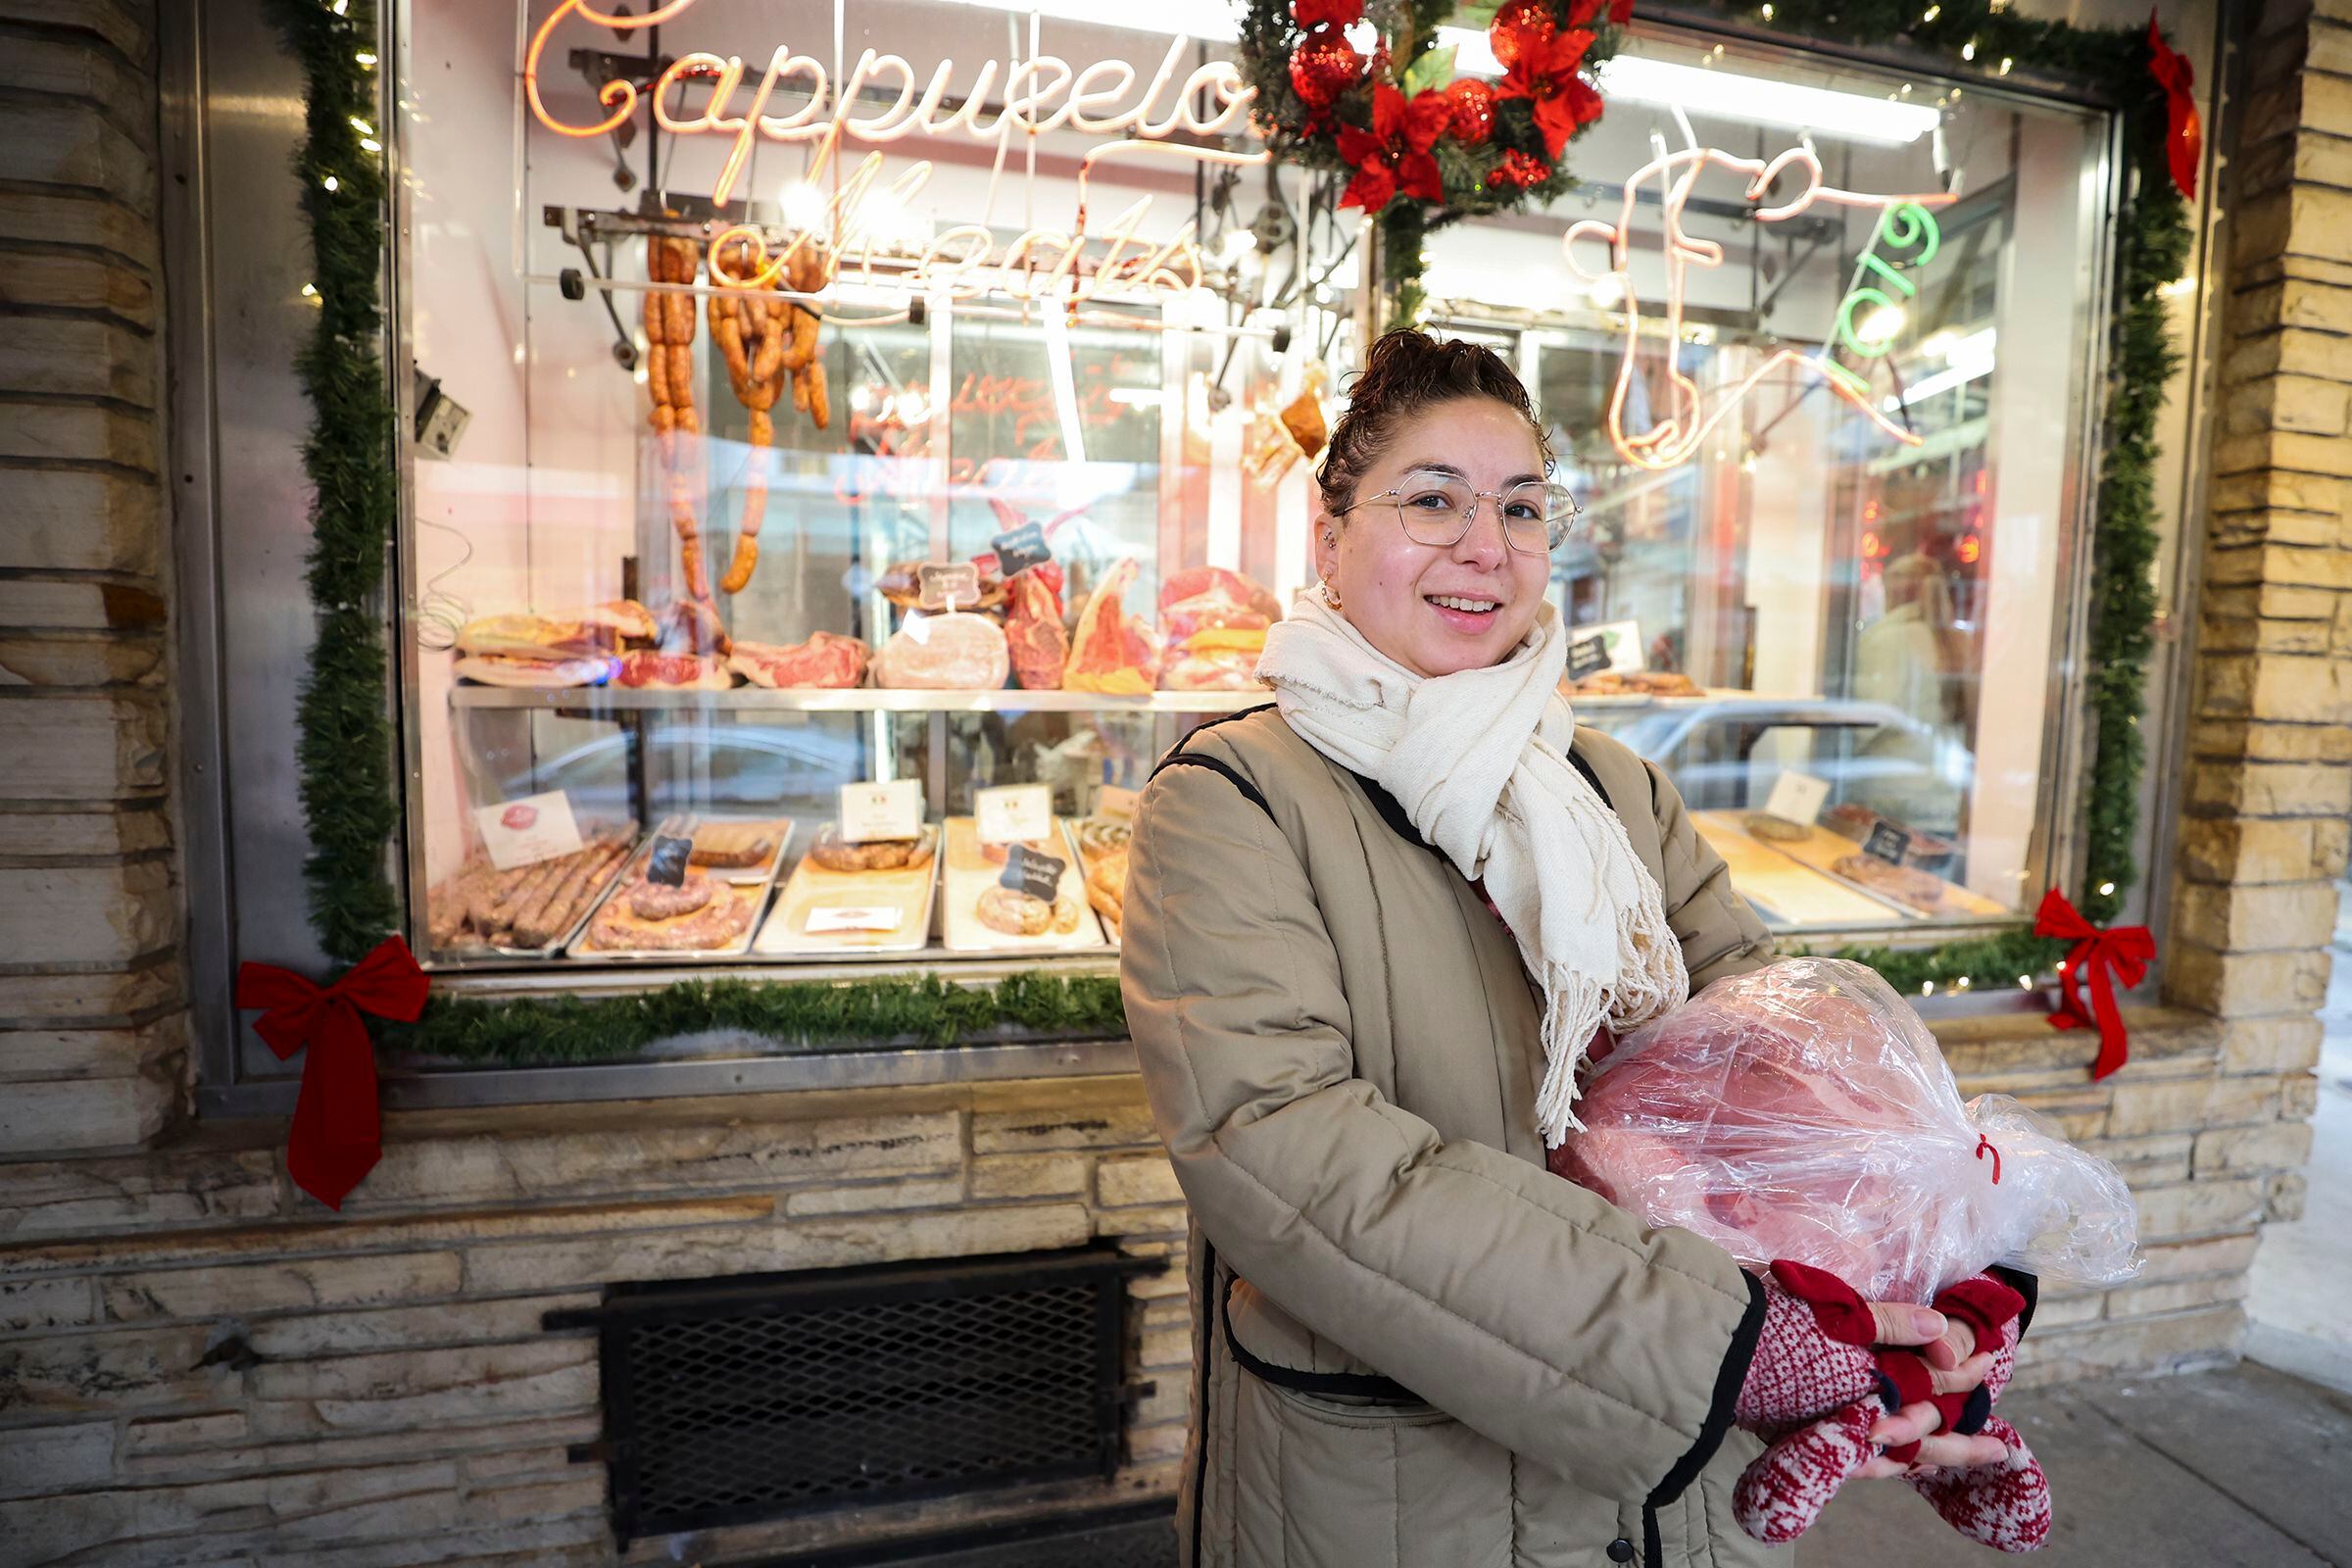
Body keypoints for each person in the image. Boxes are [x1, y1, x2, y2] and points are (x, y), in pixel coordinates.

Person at [1119, 331, 2018, 1568]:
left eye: (1522, 506)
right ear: (1330, 538)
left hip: (1668, 1500)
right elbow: (1289, 1152)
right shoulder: (1234, 798)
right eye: (1432, 498)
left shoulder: (1614, 788)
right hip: (1398, 1484)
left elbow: (1773, 1066)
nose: (1484, 545)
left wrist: (1945, 1267)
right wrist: (1720, 1349)